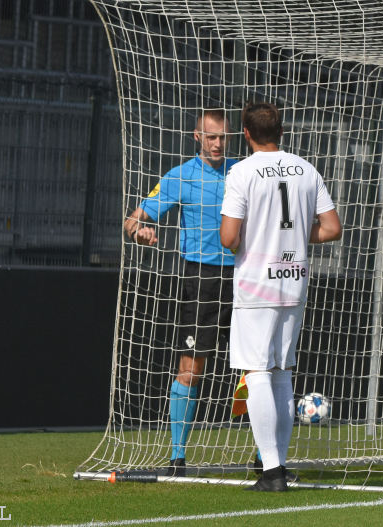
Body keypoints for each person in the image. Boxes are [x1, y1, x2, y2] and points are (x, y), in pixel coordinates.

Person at [220, 102, 342, 491]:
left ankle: (271, 472)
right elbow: (332, 228)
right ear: (282, 131)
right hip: (293, 281)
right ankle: (280, 466)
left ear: (246, 133)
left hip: (256, 285)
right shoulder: (306, 168)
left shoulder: (241, 171)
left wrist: (254, 238)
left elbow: (228, 238)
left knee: (255, 371)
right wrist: (290, 237)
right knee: (282, 374)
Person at [124, 109, 236, 477]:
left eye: (223, 137)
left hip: (246, 276)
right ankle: (178, 457)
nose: (218, 143)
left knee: (258, 369)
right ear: (197, 137)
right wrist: (141, 230)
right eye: (211, 137)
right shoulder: (180, 176)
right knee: (191, 367)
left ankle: (265, 459)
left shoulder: (244, 172)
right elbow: (133, 220)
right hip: (200, 279)